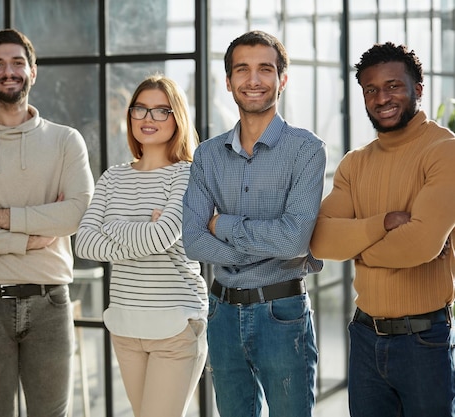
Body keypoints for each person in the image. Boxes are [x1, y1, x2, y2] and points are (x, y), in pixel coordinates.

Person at [0, 29, 94, 417]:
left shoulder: (66, 141)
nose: (8, 72)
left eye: (17, 63)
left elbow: (77, 212)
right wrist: (31, 239)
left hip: (50, 302)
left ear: (33, 71)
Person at [182, 30, 326, 417]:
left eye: (265, 68)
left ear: (282, 79)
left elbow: (294, 241)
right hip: (222, 314)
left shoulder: (306, 149)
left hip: (282, 314)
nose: (254, 79)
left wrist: (222, 224)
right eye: (242, 69)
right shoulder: (207, 155)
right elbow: (193, 241)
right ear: (228, 82)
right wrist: (266, 242)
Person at [310, 42, 455, 417]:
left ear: (418, 89)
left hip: (424, 342)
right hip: (364, 336)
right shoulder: (354, 163)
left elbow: (421, 244)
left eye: (393, 86)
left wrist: (355, 246)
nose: (382, 98)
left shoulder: (444, 150)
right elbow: (320, 239)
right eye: (371, 90)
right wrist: (385, 224)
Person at [75, 74, 208, 417]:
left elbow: (163, 235)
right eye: (141, 109)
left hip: (175, 325)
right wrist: (142, 230)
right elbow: (85, 244)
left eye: (161, 111)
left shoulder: (188, 174)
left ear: (177, 117)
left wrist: (112, 226)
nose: (149, 119)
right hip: (126, 325)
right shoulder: (112, 176)